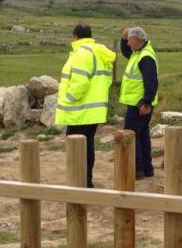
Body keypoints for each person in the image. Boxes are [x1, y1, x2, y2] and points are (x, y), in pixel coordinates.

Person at [56, 23, 116, 188]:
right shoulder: (98, 51)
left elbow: (80, 82)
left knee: (76, 146)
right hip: (93, 110)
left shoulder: (82, 53)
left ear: (75, 35)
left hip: (80, 109)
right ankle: (86, 180)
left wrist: (68, 98)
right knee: (88, 145)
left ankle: (79, 182)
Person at [119, 26, 159, 180]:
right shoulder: (139, 52)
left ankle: (137, 169)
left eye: (129, 41)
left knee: (132, 136)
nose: (128, 44)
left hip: (139, 104)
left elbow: (151, 82)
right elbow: (126, 52)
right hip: (139, 103)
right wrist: (123, 38)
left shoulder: (145, 57)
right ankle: (146, 168)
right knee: (141, 135)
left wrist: (146, 103)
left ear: (137, 40)